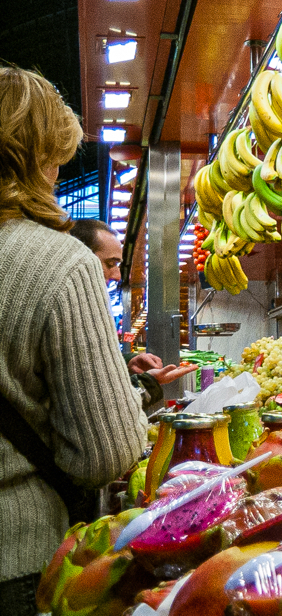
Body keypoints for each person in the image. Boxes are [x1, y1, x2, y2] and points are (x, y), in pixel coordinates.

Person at [0, 67, 147, 614]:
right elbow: (104, 453)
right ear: (33, 158)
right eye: (56, 160)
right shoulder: (59, 262)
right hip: (19, 565)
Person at [68, 219, 196, 399]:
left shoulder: (84, 309)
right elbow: (91, 397)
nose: (117, 275)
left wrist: (127, 362)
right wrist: (147, 385)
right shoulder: (66, 315)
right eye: (110, 264)